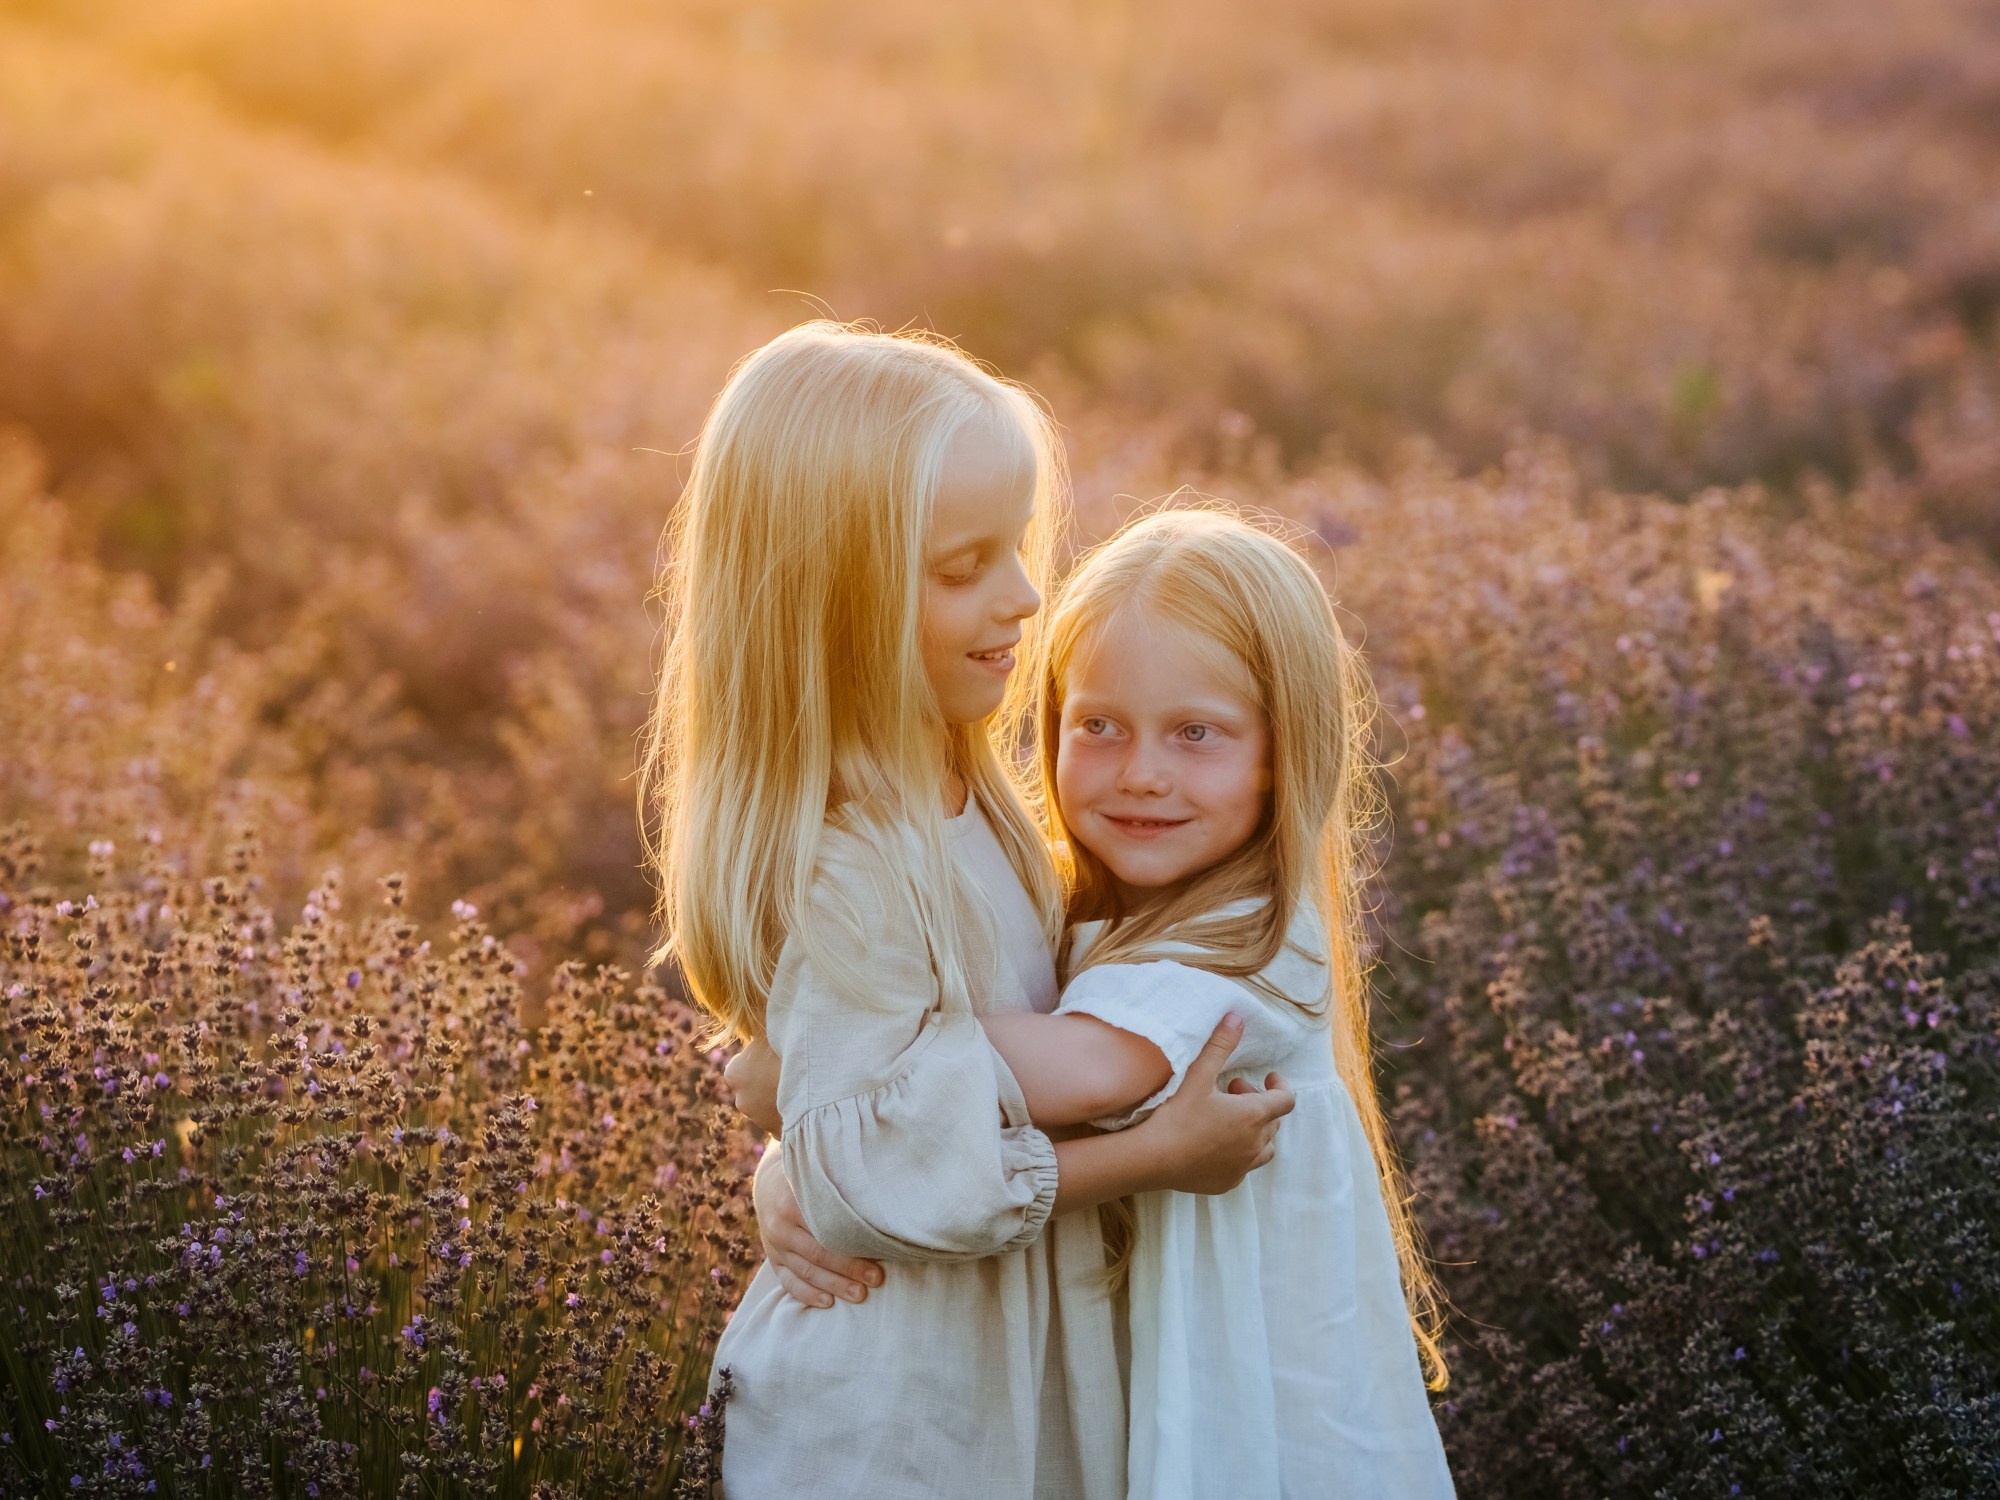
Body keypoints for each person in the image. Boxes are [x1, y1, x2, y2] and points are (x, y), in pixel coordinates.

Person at [639, 324, 1296, 1500]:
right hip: (891, 1426)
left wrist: (805, 1117)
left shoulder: (971, 796)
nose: (1024, 595)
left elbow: (863, 1104)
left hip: (995, 1389)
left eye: (1017, 547)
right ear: (828, 602)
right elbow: (878, 1151)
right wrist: (1152, 1156)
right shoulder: (851, 860)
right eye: (962, 569)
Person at [736, 506, 1454, 1499]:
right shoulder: (1073, 905)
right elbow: (938, 1114)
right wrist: (793, 1168)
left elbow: (1075, 1072)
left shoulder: (1250, 940)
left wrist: (810, 1069)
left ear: (1284, 752)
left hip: (1260, 1410)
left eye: (1196, 733)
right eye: (1099, 726)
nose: (1142, 774)